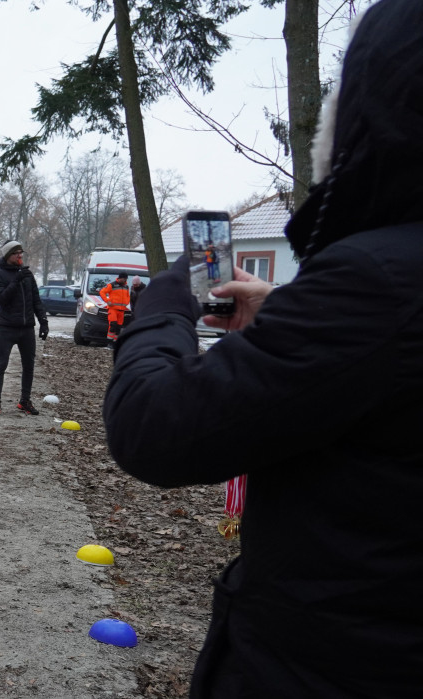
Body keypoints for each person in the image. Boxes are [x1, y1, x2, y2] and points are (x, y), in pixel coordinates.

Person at [102, 3, 423, 695]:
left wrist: (166, 301)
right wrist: (292, 321)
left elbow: (151, 425)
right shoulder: (387, 296)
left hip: (321, 668)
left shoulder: (377, 282)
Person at [0, 240, 48, 417]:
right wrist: (16, 281)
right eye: (16, 253)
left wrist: (43, 321)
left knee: (29, 366)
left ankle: (25, 400)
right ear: (8, 256)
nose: (20, 256)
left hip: (27, 329)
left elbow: (36, 300)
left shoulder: (28, 275)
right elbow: (2, 299)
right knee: (1, 365)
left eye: (21, 253)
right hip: (6, 329)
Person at [98, 272, 130, 341]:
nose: (125, 280)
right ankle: (109, 341)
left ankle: (115, 342)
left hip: (122, 310)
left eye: (126, 279)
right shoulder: (112, 285)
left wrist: (126, 302)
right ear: (120, 278)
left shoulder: (126, 287)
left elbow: (128, 296)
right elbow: (102, 292)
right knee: (113, 325)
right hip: (113, 309)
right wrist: (107, 301)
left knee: (118, 327)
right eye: (124, 279)